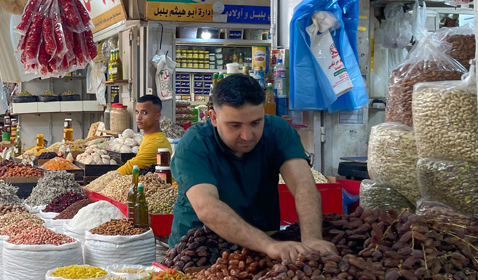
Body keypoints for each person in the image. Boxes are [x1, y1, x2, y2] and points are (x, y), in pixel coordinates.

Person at [170, 74, 335, 263]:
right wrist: (269, 245)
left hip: (259, 249)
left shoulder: (277, 131)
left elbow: (303, 186)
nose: (247, 136)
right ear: (213, 117)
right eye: (235, 125)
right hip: (197, 253)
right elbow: (207, 206)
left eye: (256, 123)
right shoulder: (194, 144)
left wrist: (312, 238)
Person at [117, 95, 173, 176]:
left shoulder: (157, 143)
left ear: (157, 116)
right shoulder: (149, 137)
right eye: (137, 112)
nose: (138, 117)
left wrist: (107, 179)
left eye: (144, 113)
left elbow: (132, 166)